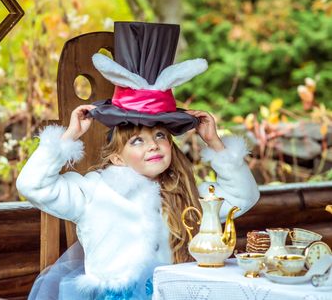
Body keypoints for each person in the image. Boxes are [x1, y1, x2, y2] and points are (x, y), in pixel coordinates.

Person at [16, 22, 260, 300]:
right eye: (137, 141)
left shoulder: (190, 195)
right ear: (117, 157)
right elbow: (32, 185)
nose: (153, 145)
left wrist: (215, 143)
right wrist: (69, 136)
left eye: (160, 135)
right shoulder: (93, 191)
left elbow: (245, 196)